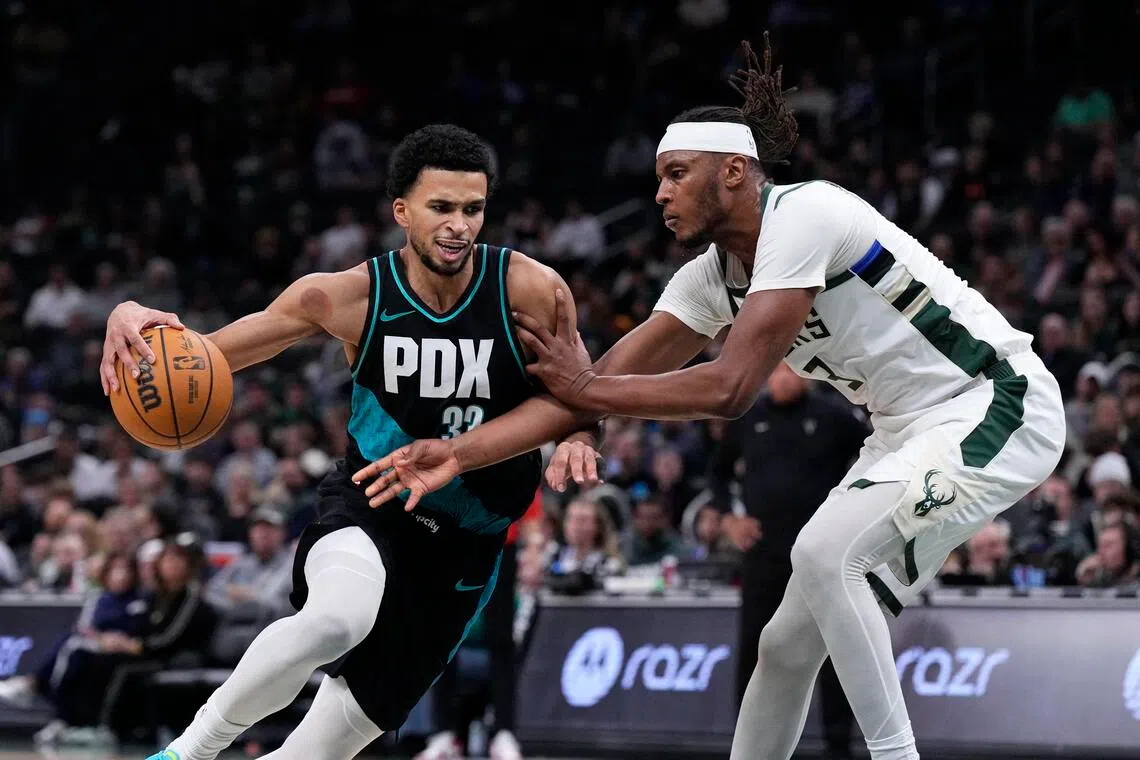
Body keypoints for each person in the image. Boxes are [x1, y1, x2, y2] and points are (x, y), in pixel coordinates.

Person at [355, 37, 1066, 760]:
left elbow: (726, 389)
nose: (659, 192)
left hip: (994, 402)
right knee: (784, 645)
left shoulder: (807, 215)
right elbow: (602, 379)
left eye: (675, 174)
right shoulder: (709, 278)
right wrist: (498, 445)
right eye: (658, 177)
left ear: (733, 172)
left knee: (824, 557)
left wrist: (588, 397)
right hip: (903, 433)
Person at [99, 124, 599, 760]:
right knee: (338, 617)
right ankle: (186, 752)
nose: (459, 226)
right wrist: (131, 319)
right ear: (402, 212)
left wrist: (583, 431)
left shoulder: (530, 290)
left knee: (323, 750)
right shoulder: (349, 296)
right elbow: (201, 360)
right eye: (441, 208)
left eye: (473, 209)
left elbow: (581, 388)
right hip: (372, 505)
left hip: (468, 547)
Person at [709, 362, 864, 759]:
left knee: (834, 650)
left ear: (808, 375)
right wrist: (729, 517)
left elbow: (875, 454)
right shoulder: (749, 417)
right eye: (775, 370)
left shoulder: (833, 416)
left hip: (822, 555)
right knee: (755, 650)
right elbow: (718, 472)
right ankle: (747, 746)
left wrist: (853, 510)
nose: (782, 377)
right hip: (764, 553)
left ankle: (839, 744)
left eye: (790, 370)